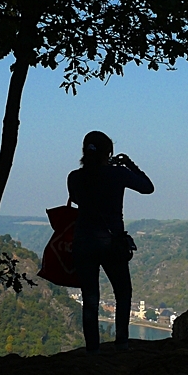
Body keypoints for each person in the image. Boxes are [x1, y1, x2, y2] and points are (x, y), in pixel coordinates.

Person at [68, 131, 154, 354]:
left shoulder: (74, 177)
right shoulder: (118, 174)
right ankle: (122, 343)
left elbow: (78, 200)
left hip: (83, 241)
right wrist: (128, 165)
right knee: (123, 292)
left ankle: (92, 349)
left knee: (90, 297)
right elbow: (147, 187)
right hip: (111, 242)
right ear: (109, 152)